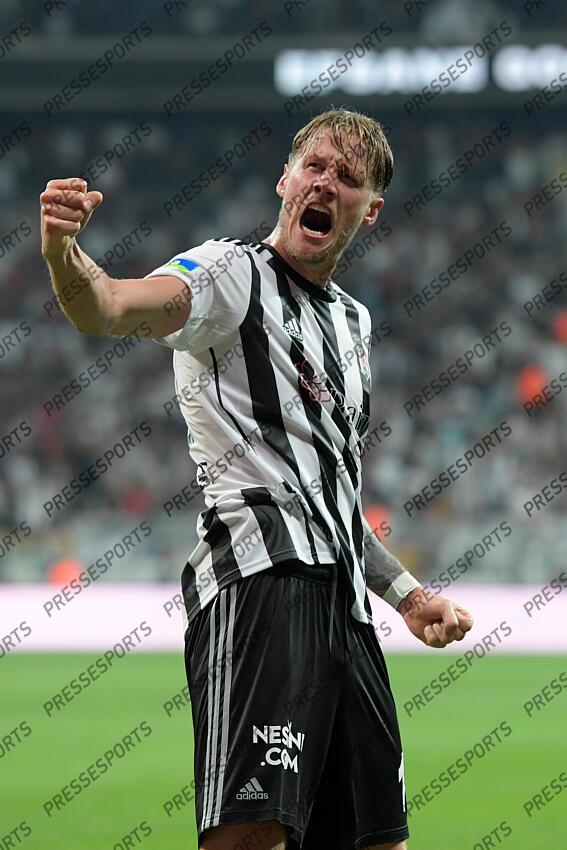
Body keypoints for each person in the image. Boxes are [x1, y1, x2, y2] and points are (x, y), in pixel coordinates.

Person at [40, 108, 473, 850]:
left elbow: (331, 493)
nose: (326, 184)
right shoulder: (226, 273)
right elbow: (107, 306)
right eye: (315, 166)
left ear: (368, 212)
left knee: (377, 840)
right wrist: (61, 251)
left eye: (347, 178)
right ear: (285, 179)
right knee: (248, 836)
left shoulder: (353, 324)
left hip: (345, 612)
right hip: (259, 586)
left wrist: (407, 597)